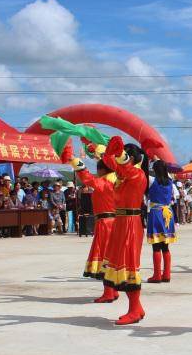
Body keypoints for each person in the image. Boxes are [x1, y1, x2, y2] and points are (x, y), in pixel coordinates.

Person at [100, 137, 150, 325]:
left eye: (126, 156)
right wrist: (93, 145)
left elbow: (120, 166)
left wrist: (118, 153)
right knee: (120, 263)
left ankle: (134, 309)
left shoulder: (136, 174)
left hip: (130, 222)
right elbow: (111, 163)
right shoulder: (125, 174)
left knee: (129, 265)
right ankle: (136, 308)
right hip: (121, 221)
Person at [61, 142, 118, 302]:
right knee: (112, 256)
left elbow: (85, 174)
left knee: (104, 255)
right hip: (115, 221)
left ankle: (108, 293)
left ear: (101, 170)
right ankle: (113, 290)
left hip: (105, 223)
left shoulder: (102, 183)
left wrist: (73, 159)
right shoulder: (116, 180)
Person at [146, 160, 177, 283]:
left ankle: (157, 275)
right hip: (168, 213)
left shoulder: (152, 181)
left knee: (156, 246)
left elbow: (142, 172)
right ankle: (167, 274)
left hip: (156, 213)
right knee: (165, 246)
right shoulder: (170, 182)